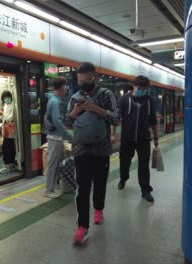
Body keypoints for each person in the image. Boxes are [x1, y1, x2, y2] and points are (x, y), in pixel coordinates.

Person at [66, 62, 118, 245]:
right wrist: (75, 112)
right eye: (80, 81)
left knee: (100, 183)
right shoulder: (74, 97)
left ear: (94, 77)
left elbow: (115, 118)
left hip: (101, 149)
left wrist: (95, 108)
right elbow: (67, 123)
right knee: (82, 188)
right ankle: (82, 227)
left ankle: (98, 209)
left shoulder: (106, 94)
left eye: (86, 80)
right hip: (81, 149)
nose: (83, 84)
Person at [118, 75, 158, 203]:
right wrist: (112, 134)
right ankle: (123, 178)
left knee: (144, 165)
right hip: (127, 138)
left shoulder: (149, 101)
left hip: (143, 138)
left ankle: (145, 190)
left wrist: (156, 137)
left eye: (143, 88)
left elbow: (153, 121)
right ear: (134, 85)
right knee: (124, 161)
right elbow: (116, 118)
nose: (141, 89)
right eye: (139, 87)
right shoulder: (124, 100)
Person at [43, 77, 72, 198]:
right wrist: (68, 136)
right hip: (55, 137)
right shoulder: (55, 101)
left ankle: (56, 186)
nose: (66, 88)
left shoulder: (54, 99)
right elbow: (57, 120)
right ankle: (48, 190)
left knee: (59, 162)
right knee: (53, 163)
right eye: (65, 86)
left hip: (56, 137)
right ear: (61, 87)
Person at [0, 90, 18, 174]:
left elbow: (10, 117)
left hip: (10, 128)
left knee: (8, 147)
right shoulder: (6, 105)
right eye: (4, 97)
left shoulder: (13, 105)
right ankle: (10, 164)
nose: (6, 99)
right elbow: (5, 117)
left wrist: (3, 115)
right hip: (6, 128)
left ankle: (9, 165)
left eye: (7, 97)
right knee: (7, 146)